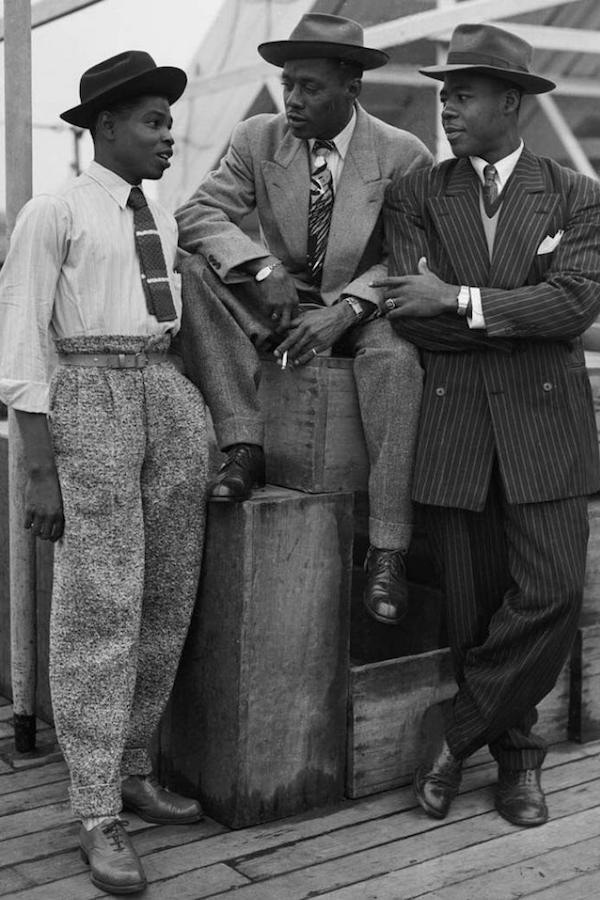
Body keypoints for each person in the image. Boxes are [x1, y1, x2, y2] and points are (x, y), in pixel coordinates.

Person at [377, 22, 600, 828]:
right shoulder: (415, 196)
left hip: (548, 433)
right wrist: (513, 312)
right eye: (443, 95)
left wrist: (462, 298)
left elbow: (578, 302)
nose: (446, 108)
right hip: (457, 432)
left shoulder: (577, 195)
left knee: (552, 592)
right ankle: (518, 764)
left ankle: (454, 738)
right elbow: (412, 316)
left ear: (512, 102)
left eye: (462, 94)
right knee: (474, 614)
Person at [0, 51, 208, 894]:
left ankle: (132, 767)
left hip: (163, 390)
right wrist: (40, 469)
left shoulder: (154, 217)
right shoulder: (53, 212)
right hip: (89, 398)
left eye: (168, 121)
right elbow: (18, 343)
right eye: (154, 121)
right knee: (100, 604)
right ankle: (94, 812)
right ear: (106, 128)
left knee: (164, 593)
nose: (167, 136)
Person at [175, 13, 432, 626]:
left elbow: (410, 256)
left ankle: (388, 547)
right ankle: (244, 445)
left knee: (397, 354)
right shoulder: (257, 139)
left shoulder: (403, 154)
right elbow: (197, 216)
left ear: (352, 88)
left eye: (309, 87)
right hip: (279, 301)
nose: (291, 99)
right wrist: (261, 265)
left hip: (365, 307)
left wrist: (345, 311)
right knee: (192, 270)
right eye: (287, 83)